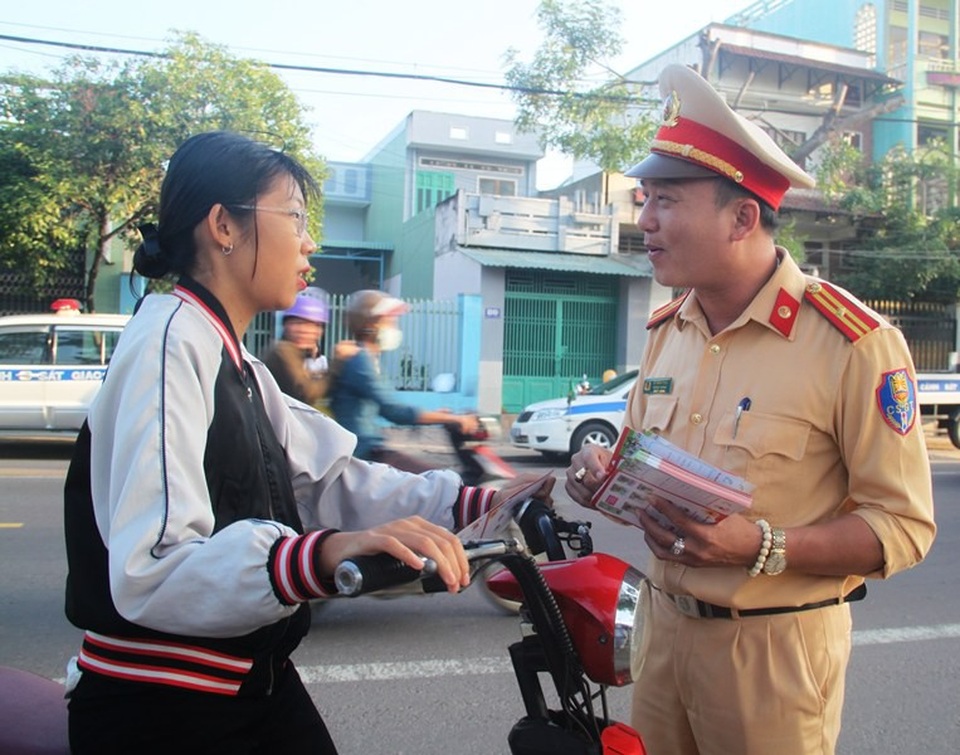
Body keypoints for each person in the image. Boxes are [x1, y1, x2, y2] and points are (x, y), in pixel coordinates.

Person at [62, 131, 552, 755]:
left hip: (246, 679)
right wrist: (320, 555)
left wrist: (477, 505)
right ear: (223, 226)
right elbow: (155, 568)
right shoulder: (168, 341)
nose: (309, 241)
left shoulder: (237, 361)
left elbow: (330, 480)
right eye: (294, 215)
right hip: (164, 702)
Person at [565, 64, 936, 755]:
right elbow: (645, 455)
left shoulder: (852, 344)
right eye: (646, 198)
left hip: (773, 653)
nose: (643, 219)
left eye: (667, 201)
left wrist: (764, 545)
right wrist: (603, 468)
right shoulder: (668, 330)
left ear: (742, 216)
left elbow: (905, 528)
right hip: (661, 635)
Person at [327, 289, 480, 473]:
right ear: (370, 325)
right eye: (389, 321)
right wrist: (452, 418)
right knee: (435, 482)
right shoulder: (360, 361)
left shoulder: (369, 358)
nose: (394, 327)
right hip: (361, 454)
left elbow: (387, 407)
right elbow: (394, 411)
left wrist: (437, 416)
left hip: (370, 449)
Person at [262, 289, 333, 409]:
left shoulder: (300, 353)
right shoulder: (283, 351)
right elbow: (307, 393)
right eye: (299, 323)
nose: (305, 331)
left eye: (314, 326)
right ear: (286, 325)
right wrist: (337, 367)